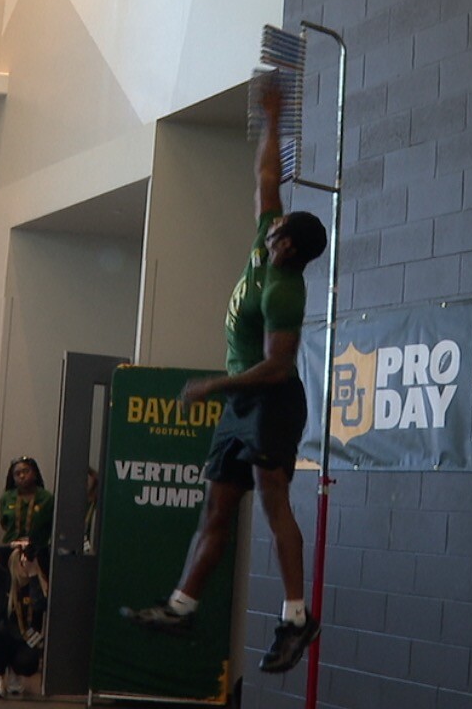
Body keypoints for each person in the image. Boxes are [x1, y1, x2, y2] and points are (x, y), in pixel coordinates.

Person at [121, 77, 328, 674]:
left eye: (282, 238)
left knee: (272, 501)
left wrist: (214, 386)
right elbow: (267, 177)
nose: (272, 235)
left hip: (269, 400)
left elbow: (278, 367)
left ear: (293, 252)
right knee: (217, 507)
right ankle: (183, 607)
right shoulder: (266, 240)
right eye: (275, 229)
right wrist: (272, 116)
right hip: (242, 404)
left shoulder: (286, 290)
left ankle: (297, 616)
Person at [0, 456, 53, 698]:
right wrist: (13, 548)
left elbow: (49, 527)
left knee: (32, 614)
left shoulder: (47, 498)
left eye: (26, 471)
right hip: (11, 556)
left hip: (37, 557)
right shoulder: (7, 499)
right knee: (3, 621)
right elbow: (4, 524)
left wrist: (33, 560)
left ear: (35, 473)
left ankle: (18, 669)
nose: (22, 476)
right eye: (17, 473)